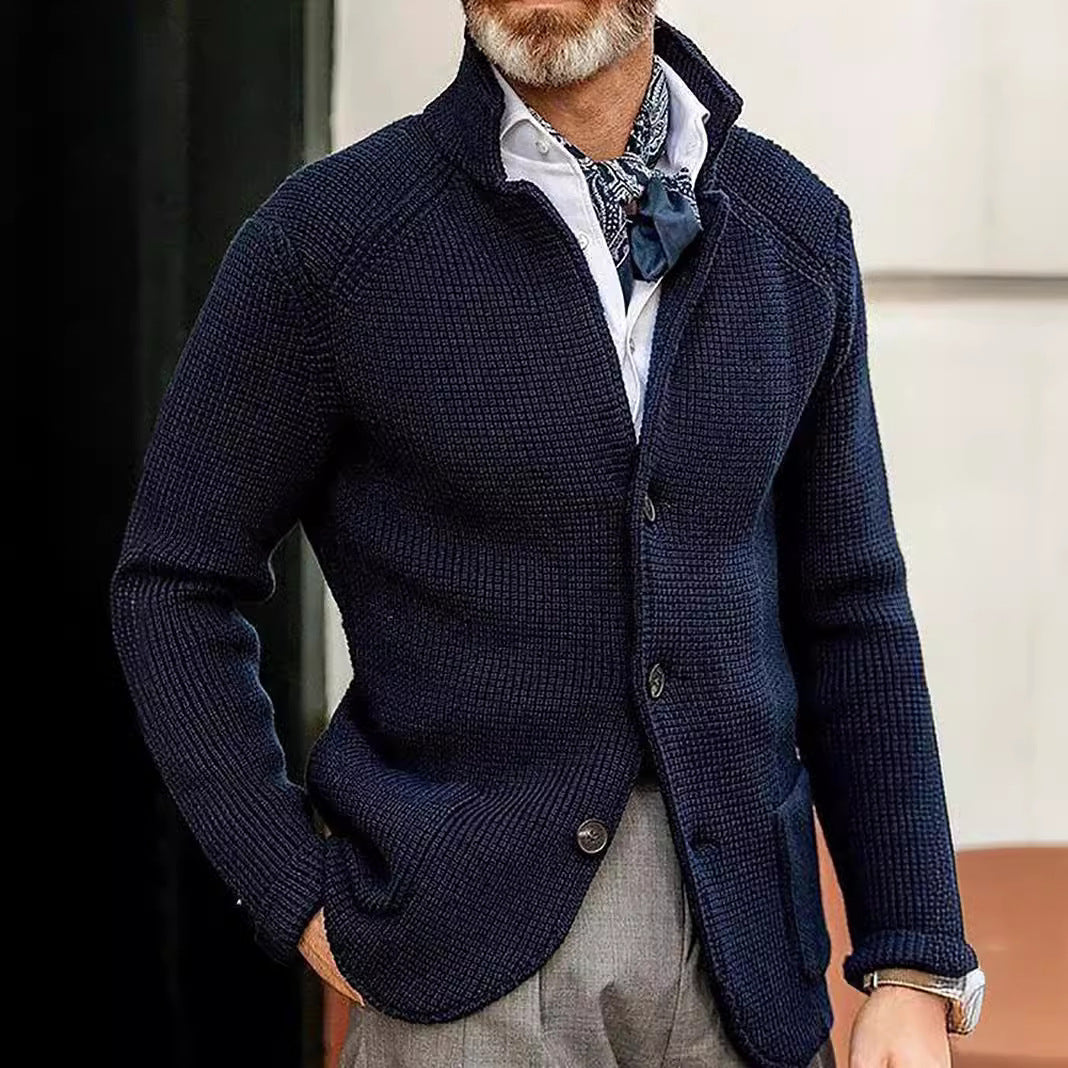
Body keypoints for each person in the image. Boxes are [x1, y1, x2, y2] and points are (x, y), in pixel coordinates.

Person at [109, 2, 984, 1066]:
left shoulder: (793, 233)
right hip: (459, 969)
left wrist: (913, 957)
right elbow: (173, 583)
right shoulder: (329, 243)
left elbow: (851, 602)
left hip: (750, 963)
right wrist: (289, 886)